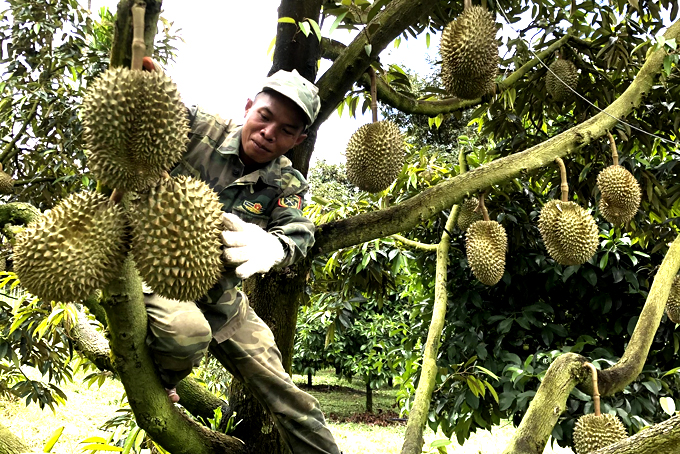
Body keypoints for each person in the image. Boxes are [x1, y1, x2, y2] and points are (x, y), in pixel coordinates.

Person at [141, 58, 340, 454]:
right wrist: (150, 95)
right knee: (185, 336)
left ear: (299, 140)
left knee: (293, 402)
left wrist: (275, 246)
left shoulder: (287, 182)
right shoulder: (198, 127)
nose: (268, 134)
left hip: (223, 298)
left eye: (286, 131)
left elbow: (298, 230)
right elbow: (161, 116)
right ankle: (163, 378)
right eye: (264, 117)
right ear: (248, 106)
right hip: (157, 274)